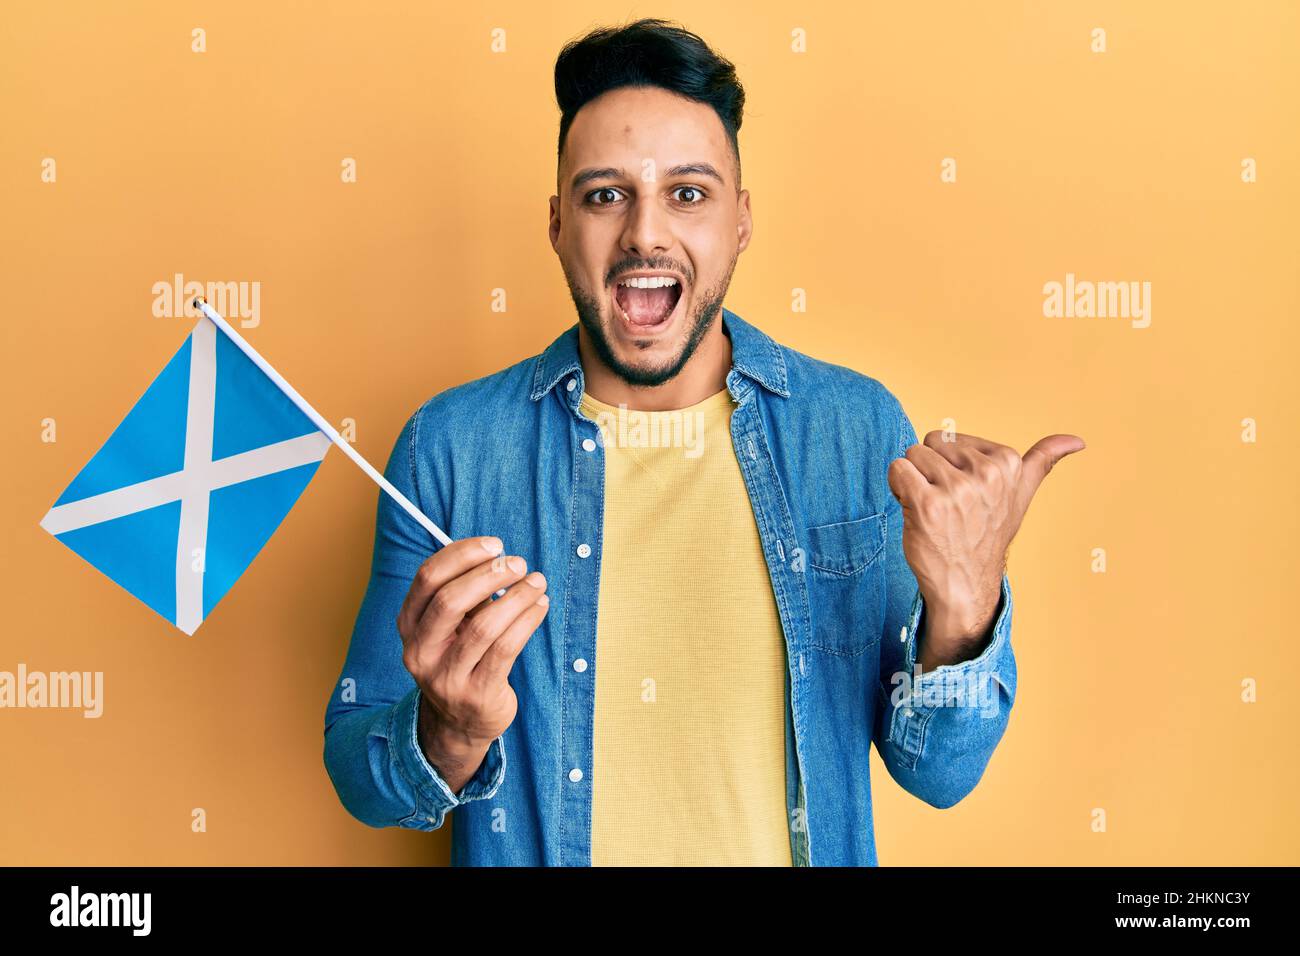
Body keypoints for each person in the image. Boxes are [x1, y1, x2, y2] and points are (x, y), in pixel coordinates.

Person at [322, 17, 1083, 866]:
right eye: (605, 194)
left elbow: (938, 772)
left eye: (688, 193)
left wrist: (967, 610)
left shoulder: (855, 430)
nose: (645, 234)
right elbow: (359, 773)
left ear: (741, 221)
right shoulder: (452, 448)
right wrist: (449, 730)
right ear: (557, 224)